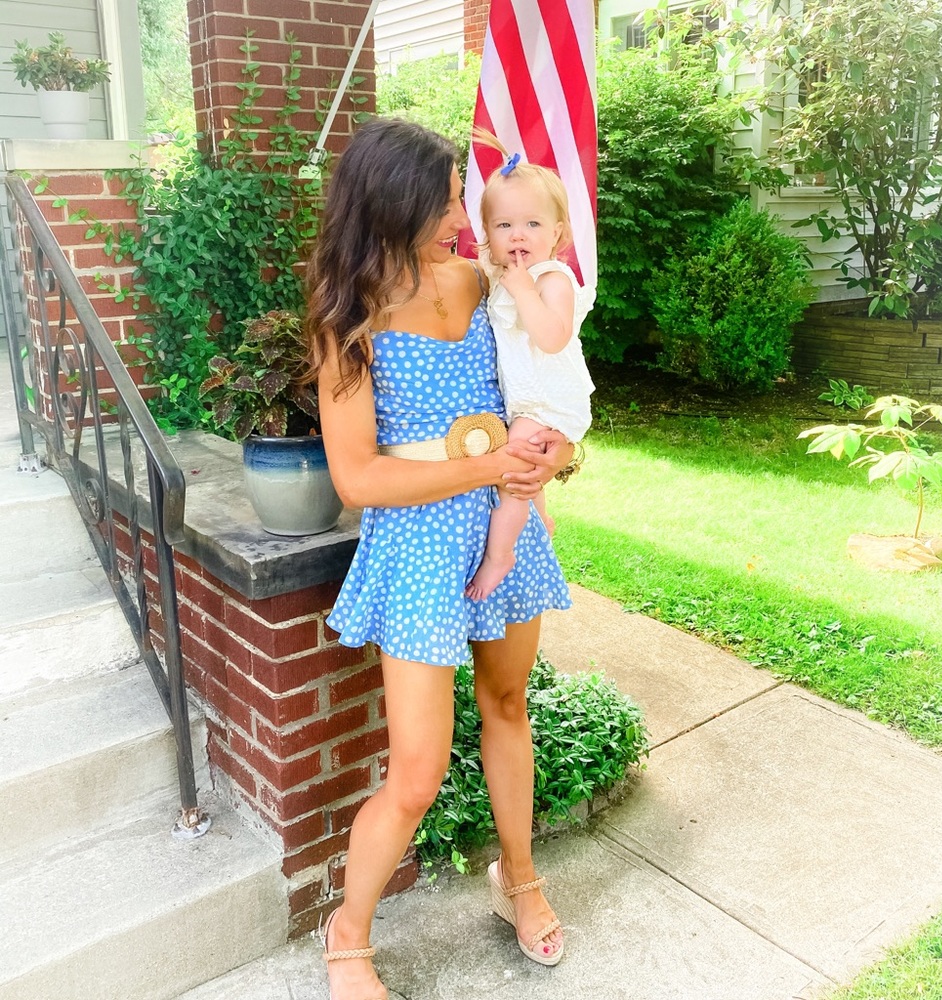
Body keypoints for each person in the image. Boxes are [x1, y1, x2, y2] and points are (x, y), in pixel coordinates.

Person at [306, 117, 575, 1000]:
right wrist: (483, 466)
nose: (468, 206)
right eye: (452, 192)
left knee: (508, 701)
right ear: (399, 202)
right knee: (417, 771)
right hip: (420, 545)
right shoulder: (348, 320)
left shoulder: (483, 281)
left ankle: (519, 879)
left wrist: (551, 455)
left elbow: (546, 390)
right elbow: (356, 477)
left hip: (506, 522)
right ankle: (348, 936)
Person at [465, 132, 596, 601]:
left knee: (514, 475)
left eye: (532, 223)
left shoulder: (552, 278)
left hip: (548, 397)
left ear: (558, 234)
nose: (518, 235)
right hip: (524, 397)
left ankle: (501, 555)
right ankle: (541, 521)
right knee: (524, 472)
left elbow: (552, 335)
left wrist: (523, 289)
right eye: (503, 226)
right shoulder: (503, 276)